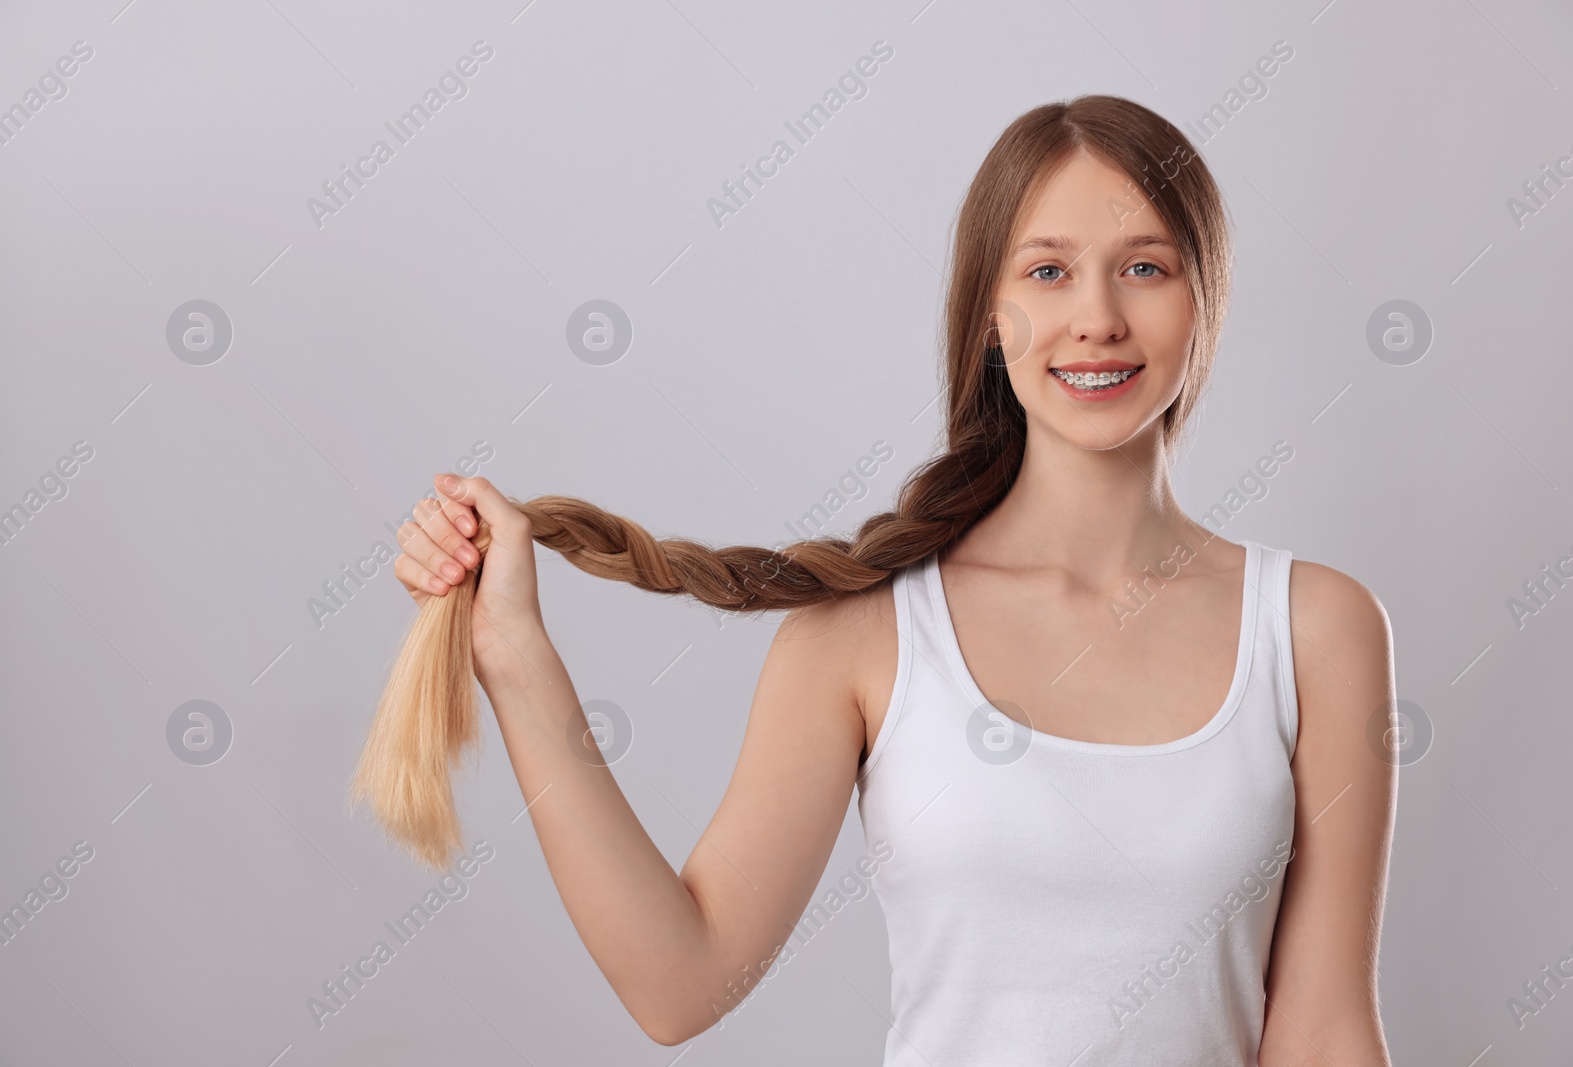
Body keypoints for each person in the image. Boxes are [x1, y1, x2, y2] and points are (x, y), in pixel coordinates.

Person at [386, 96, 1396, 1064]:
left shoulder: (1316, 630)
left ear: (1202, 297)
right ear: (989, 317)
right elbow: (680, 981)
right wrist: (515, 657)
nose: (1097, 316)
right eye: (1046, 272)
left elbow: (1322, 1037)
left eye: (1143, 266)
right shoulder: (864, 636)